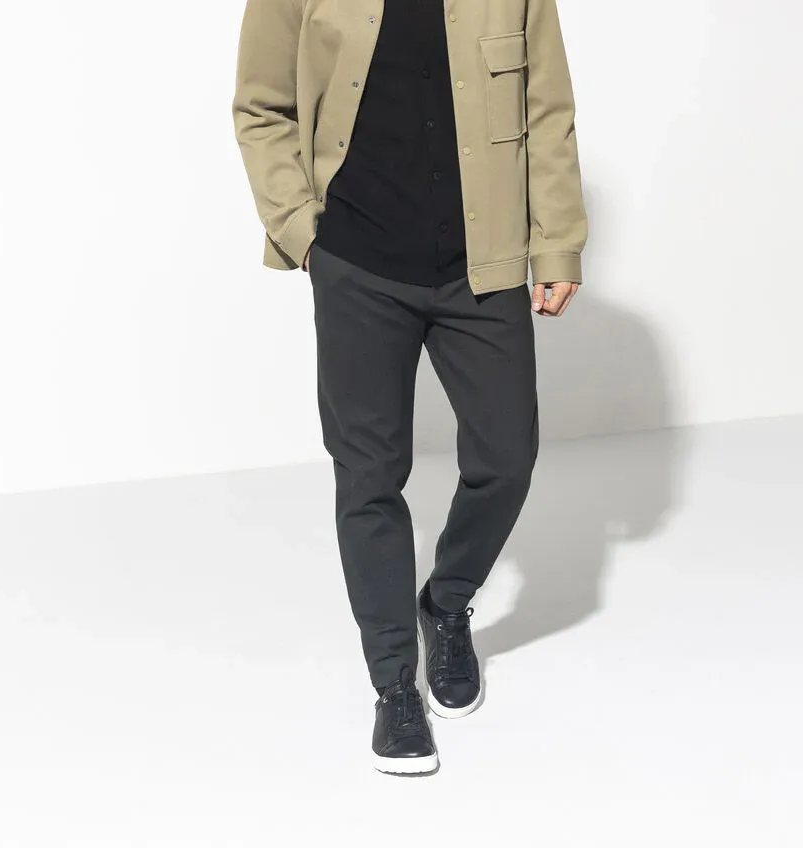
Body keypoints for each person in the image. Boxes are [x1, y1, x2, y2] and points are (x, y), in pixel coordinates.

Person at [232, 0, 587, 775]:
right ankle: (393, 683)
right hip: (357, 265)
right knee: (369, 473)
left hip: (483, 264)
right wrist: (302, 232)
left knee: (507, 456)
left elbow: (547, 107)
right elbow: (261, 107)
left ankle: (445, 603)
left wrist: (557, 243)